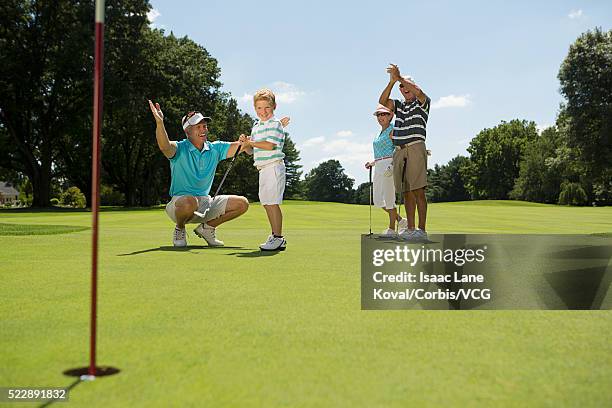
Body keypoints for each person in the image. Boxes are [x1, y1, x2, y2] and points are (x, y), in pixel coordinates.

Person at [148, 100, 249, 247]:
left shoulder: (215, 148)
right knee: (190, 201)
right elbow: (164, 146)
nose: (203, 129)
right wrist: (159, 123)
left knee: (242, 203)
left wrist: (247, 141)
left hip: (206, 203)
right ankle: (180, 228)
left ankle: (207, 228)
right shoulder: (179, 148)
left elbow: (242, 146)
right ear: (187, 130)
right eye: (198, 126)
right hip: (180, 205)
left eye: (204, 126)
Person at [379, 64, 431, 241]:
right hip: (399, 151)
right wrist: (392, 82)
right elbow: (382, 100)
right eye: (402, 87)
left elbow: (419, 92)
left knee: (418, 190)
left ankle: (422, 230)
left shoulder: (423, 102)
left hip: (415, 146)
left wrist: (401, 78)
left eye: (407, 85)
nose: (404, 88)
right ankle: (410, 228)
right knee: (407, 191)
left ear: (413, 87)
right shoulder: (399, 105)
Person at [239, 89, 288, 251]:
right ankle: (275, 235)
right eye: (259, 108)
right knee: (266, 203)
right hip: (262, 169)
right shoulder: (256, 126)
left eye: (267, 107)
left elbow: (270, 145)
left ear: (274, 106)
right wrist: (246, 144)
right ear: (255, 108)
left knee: (272, 203)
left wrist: (251, 143)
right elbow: (252, 151)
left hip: (274, 166)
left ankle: (278, 237)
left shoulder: (276, 124)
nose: (263, 112)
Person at [365, 104, 407, 237]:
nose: (380, 117)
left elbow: (399, 147)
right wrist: (373, 162)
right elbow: (379, 152)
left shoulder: (393, 129)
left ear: (390, 116)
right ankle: (400, 220)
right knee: (377, 200)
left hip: (390, 163)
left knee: (389, 198)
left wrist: (393, 164)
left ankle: (391, 229)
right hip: (378, 165)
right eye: (378, 115)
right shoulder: (380, 133)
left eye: (384, 114)